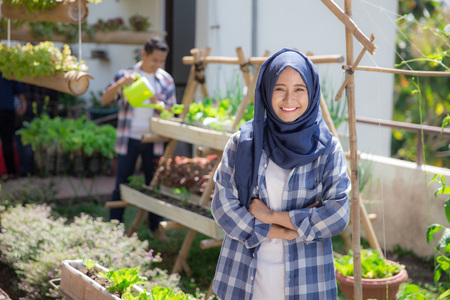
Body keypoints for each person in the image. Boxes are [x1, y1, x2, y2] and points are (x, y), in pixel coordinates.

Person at [211, 48, 351, 299]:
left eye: (299, 89)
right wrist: (281, 230)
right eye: (279, 88)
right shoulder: (242, 144)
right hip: (245, 280)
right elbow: (224, 209)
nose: (289, 100)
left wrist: (270, 215)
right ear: (266, 91)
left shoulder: (328, 149)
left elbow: (338, 215)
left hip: (308, 283)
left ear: (312, 91)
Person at [101, 37, 176, 242]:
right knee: (121, 184)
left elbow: (172, 113)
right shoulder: (126, 75)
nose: (158, 64)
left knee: (154, 185)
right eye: (154, 60)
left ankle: (155, 228)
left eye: (161, 61)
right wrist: (119, 84)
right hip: (129, 138)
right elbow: (105, 100)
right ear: (144, 54)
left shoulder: (166, 80)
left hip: (155, 139)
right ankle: (114, 229)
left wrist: (157, 103)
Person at [14, 83, 59, 177]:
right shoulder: (47, 72)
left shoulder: (24, 71)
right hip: (43, 107)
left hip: (28, 108)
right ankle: (45, 170)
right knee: (45, 139)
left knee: (24, 139)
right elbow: (55, 96)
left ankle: (28, 171)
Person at [0, 72, 27, 181]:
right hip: (6, 107)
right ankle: (10, 172)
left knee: (7, 141)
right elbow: (17, 85)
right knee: (7, 141)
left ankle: (9, 172)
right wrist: (23, 102)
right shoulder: (7, 66)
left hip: (7, 106)